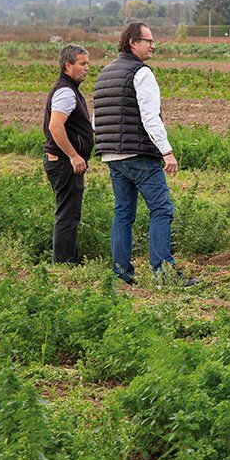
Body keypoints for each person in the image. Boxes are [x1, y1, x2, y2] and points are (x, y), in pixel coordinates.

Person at [93, 22, 197, 287]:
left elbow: (98, 119)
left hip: (111, 156)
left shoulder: (105, 73)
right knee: (162, 209)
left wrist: (106, 147)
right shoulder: (141, 73)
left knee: (123, 213)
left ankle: (121, 274)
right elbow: (150, 117)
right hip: (139, 154)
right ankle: (165, 274)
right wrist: (167, 151)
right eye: (148, 41)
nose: (153, 45)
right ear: (132, 42)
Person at [42, 44, 92, 264]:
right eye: (82, 64)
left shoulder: (70, 89)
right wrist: (73, 155)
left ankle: (65, 259)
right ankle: (63, 264)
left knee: (69, 212)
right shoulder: (65, 92)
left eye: (88, 64)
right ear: (67, 65)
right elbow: (55, 126)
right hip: (64, 163)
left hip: (64, 162)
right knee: (68, 215)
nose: (87, 68)